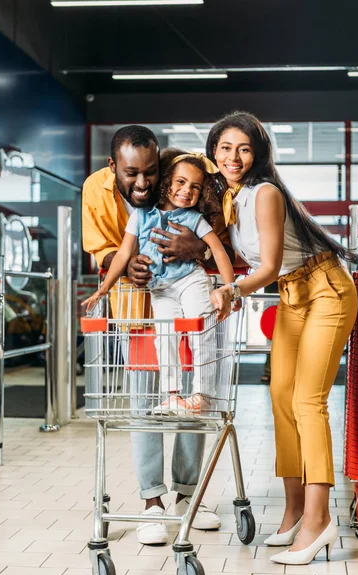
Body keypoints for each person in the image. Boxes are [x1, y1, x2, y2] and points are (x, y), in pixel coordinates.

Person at [207, 111, 358, 565]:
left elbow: (267, 267)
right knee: (280, 395)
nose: (234, 157)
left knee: (308, 401)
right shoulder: (230, 197)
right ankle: (294, 511)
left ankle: (318, 521)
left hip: (327, 290)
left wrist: (233, 289)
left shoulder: (265, 192)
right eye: (225, 147)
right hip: (294, 295)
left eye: (244, 148)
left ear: (259, 154)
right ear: (214, 150)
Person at [82, 126, 225, 545]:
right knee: (145, 401)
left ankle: (186, 496)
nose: (142, 183)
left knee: (192, 399)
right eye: (131, 175)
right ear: (114, 167)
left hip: (185, 307)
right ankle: (152, 502)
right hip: (136, 312)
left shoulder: (180, 177)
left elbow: (219, 232)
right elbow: (99, 247)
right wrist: (120, 263)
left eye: (150, 172)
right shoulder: (96, 189)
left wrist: (194, 248)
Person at [83, 148, 237, 416]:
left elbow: (220, 252)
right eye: (180, 182)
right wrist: (103, 290)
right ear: (166, 181)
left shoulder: (193, 219)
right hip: (161, 288)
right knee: (165, 337)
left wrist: (230, 289)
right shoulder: (141, 216)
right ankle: (172, 396)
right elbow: (122, 254)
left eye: (196, 187)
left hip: (191, 280)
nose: (187, 191)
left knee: (201, 331)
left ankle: (203, 395)